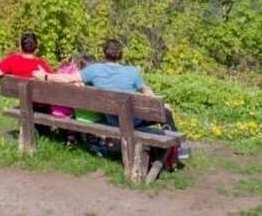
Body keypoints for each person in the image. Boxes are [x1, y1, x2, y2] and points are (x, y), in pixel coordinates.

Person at [35, 38, 188, 166]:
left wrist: (46, 76)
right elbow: (145, 91)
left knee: (159, 111)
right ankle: (179, 151)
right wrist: (158, 103)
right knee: (165, 112)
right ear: (121, 55)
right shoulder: (133, 72)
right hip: (131, 122)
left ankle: (168, 152)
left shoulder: (94, 70)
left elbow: (67, 78)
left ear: (104, 53)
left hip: (111, 120)